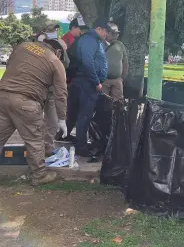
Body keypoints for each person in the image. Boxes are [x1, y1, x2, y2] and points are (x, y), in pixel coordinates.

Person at [0, 39, 68, 185]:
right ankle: (39, 175)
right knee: (35, 140)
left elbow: (11, 65)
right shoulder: (55, 61)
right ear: (59, 51)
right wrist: (62, 119)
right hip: (26, 102)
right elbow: (61, 94)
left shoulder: (23, 46)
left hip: (2, 96)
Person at [65, 18, 109, 156]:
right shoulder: (89, 40)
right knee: (84, 115)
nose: (106, 35)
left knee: (84, 115)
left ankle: (81, 143)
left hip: (86, 81)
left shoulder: (93, 40)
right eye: (105, 31)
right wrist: (96, 82)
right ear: (99, 29)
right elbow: (87, 62)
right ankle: (81, 147)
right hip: (87, 82)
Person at [43, 39, 70, 156]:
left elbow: (67, 63)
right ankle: (35, 151)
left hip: (52, 94)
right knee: (33, 123)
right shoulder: (41, 57)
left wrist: (64, 51)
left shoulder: (59, 60)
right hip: (38, 94)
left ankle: (47, 149)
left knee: (53, 122)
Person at [102, 23, 128, 100]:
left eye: (117, 34)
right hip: (104, 80)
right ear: (106, 33)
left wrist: (123, 76)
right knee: (104, 102)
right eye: (113, 34)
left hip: (117, 80)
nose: (115, 36)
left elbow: (125, 60)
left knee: (118, 103)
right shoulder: (100, 44)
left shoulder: (120, 44)